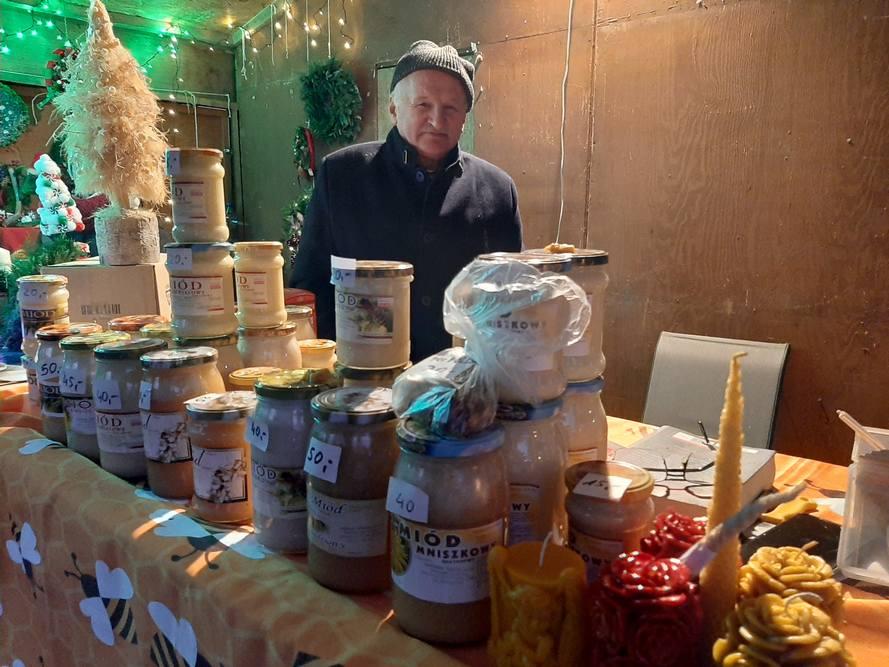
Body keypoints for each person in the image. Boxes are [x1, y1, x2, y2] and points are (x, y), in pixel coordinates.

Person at [291, 40, 522, 362]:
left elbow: (510, 295)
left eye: (451, 108)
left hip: (464, 374)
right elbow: (311, 286)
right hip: (362, 370)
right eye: (422, 105)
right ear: (393, 108)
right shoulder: (342, 176)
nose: (437, 120)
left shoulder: (497, 190)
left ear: (464, 118)